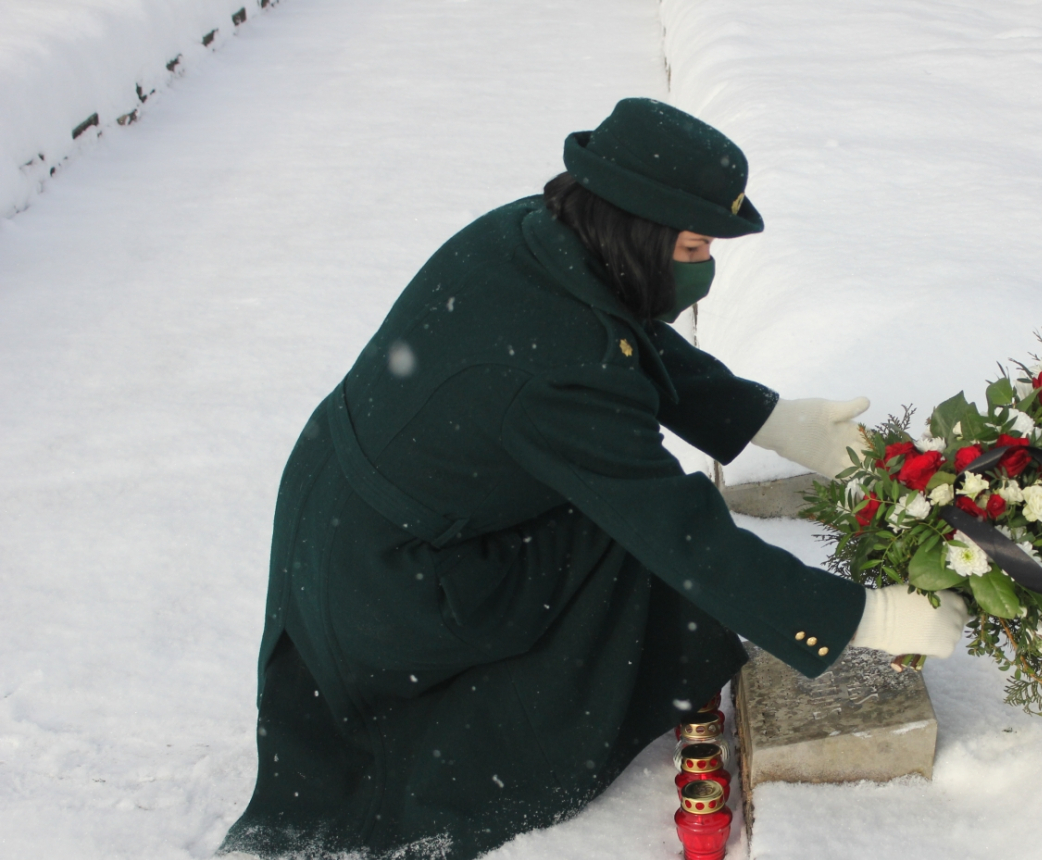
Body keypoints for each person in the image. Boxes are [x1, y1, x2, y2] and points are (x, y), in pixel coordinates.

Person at [220, 98, 966, 860]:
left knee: (631, 525)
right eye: (694, 247)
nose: (704, 269)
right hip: (392, 585)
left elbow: (623, 335)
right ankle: (525, 716)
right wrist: (861, 620)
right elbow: (680, 531)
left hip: (343, 519)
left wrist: (770, 419)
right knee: (637, 549)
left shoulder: (539, 233)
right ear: (638, 233)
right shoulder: (558, 371)